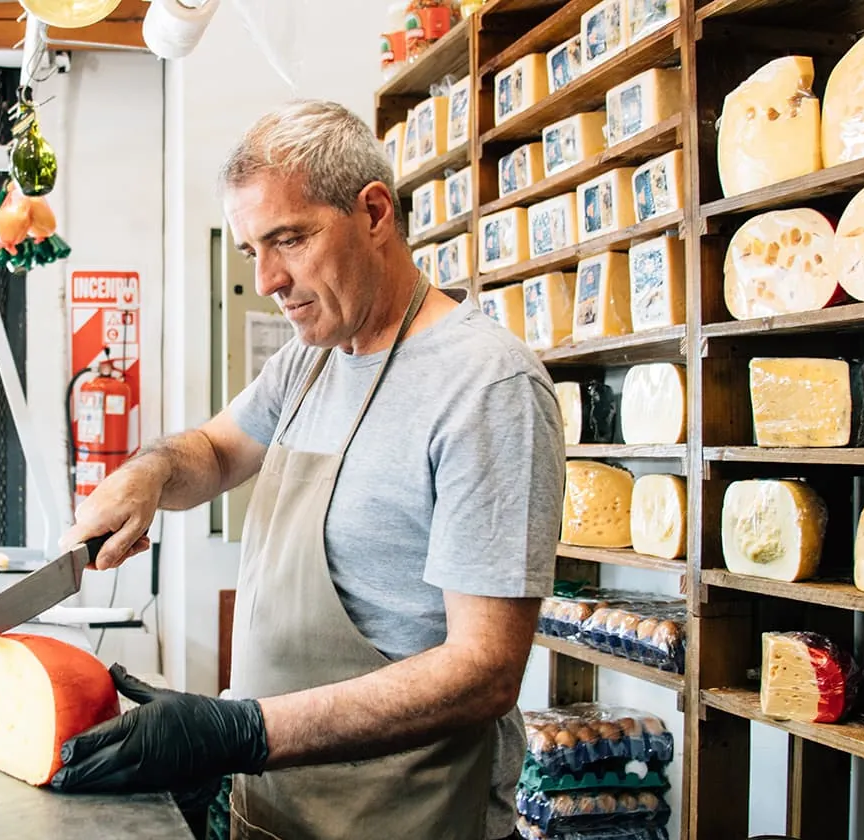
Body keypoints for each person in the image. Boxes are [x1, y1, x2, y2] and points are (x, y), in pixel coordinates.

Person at [51, 99, 565, 840]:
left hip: (406, 823)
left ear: (375, 213)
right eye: (250, 250)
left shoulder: (486, 388)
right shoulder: (312, 358)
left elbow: (485, 670)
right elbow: (219, 450)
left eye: (288, 239)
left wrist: (242, 733)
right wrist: (151, 475)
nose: (265, 280)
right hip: (275, 810)